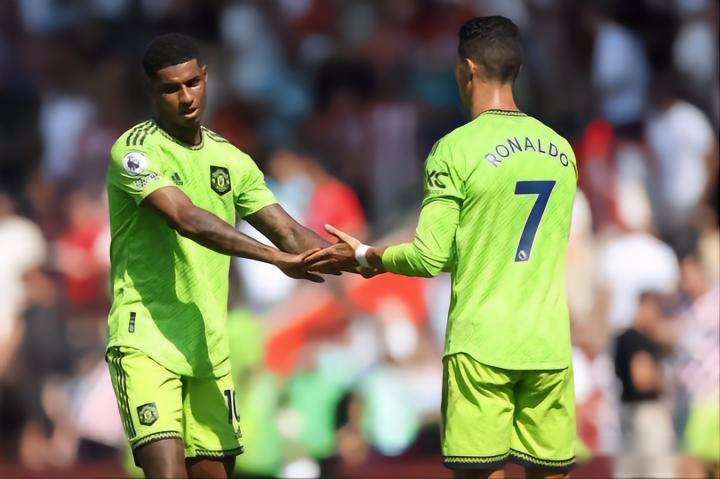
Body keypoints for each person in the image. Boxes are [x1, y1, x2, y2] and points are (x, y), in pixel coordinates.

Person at [306, 16, 578, 479]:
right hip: (548, 343)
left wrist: (367, 256)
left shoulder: (454, 150)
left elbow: (430, 256)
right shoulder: (562, 151)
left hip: (482, 346)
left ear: (467, 69)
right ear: (515, 69)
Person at [105, 33, 329, 479]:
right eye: (171, 88)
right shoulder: (134, 150)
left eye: (193, 83)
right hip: (147, 340)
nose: (186, 97)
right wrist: (273, 258)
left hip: (208, 346)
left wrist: (360, 257)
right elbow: (186, 217)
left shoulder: (231, 159)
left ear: (206, 77)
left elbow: (287, 231)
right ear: (151, 90)